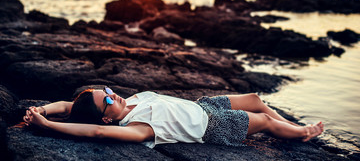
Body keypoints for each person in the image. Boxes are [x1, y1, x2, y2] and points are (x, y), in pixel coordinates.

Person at [23, 87, 324, 148]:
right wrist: (47, 126)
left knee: (256, 99)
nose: (113, 95)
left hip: (203, 105)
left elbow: (67, 103)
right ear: (105, 119)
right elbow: (95, 135)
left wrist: (42, 110)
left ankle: (294, 127)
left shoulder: (127, 103)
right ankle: (303, 133)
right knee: (267, 123)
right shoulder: (138, 128)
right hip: (214, 125)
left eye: (108, 91)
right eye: (108, 100)